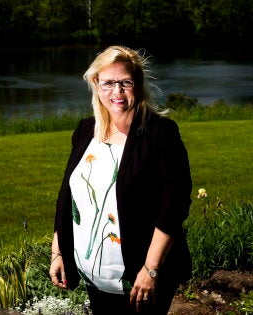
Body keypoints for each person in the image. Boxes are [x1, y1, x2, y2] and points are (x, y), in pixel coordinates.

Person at [49, 45, 192, 314]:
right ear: (95, 84)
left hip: (141, 276)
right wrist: (58, 251)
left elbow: (174, 207)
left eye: (126, 82)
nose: (117, 92)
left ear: (138, 84)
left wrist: (151, 269)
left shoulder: (160, 134)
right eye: (108, 83)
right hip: (95, 275)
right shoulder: (84, 131)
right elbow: (67, 197)